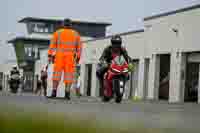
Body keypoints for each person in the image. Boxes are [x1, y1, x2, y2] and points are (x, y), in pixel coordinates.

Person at [48, 19, 82, 100]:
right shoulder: (76, 34)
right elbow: (79, 47)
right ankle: (67, 94)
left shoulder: (58, 32)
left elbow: (52, 44)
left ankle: (54, 93)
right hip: (70, 57)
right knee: (69, 75)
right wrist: (78, 57)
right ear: (70, 25)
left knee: (56, 74)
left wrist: (50, 55)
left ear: (63, 24)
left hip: (59, 56)